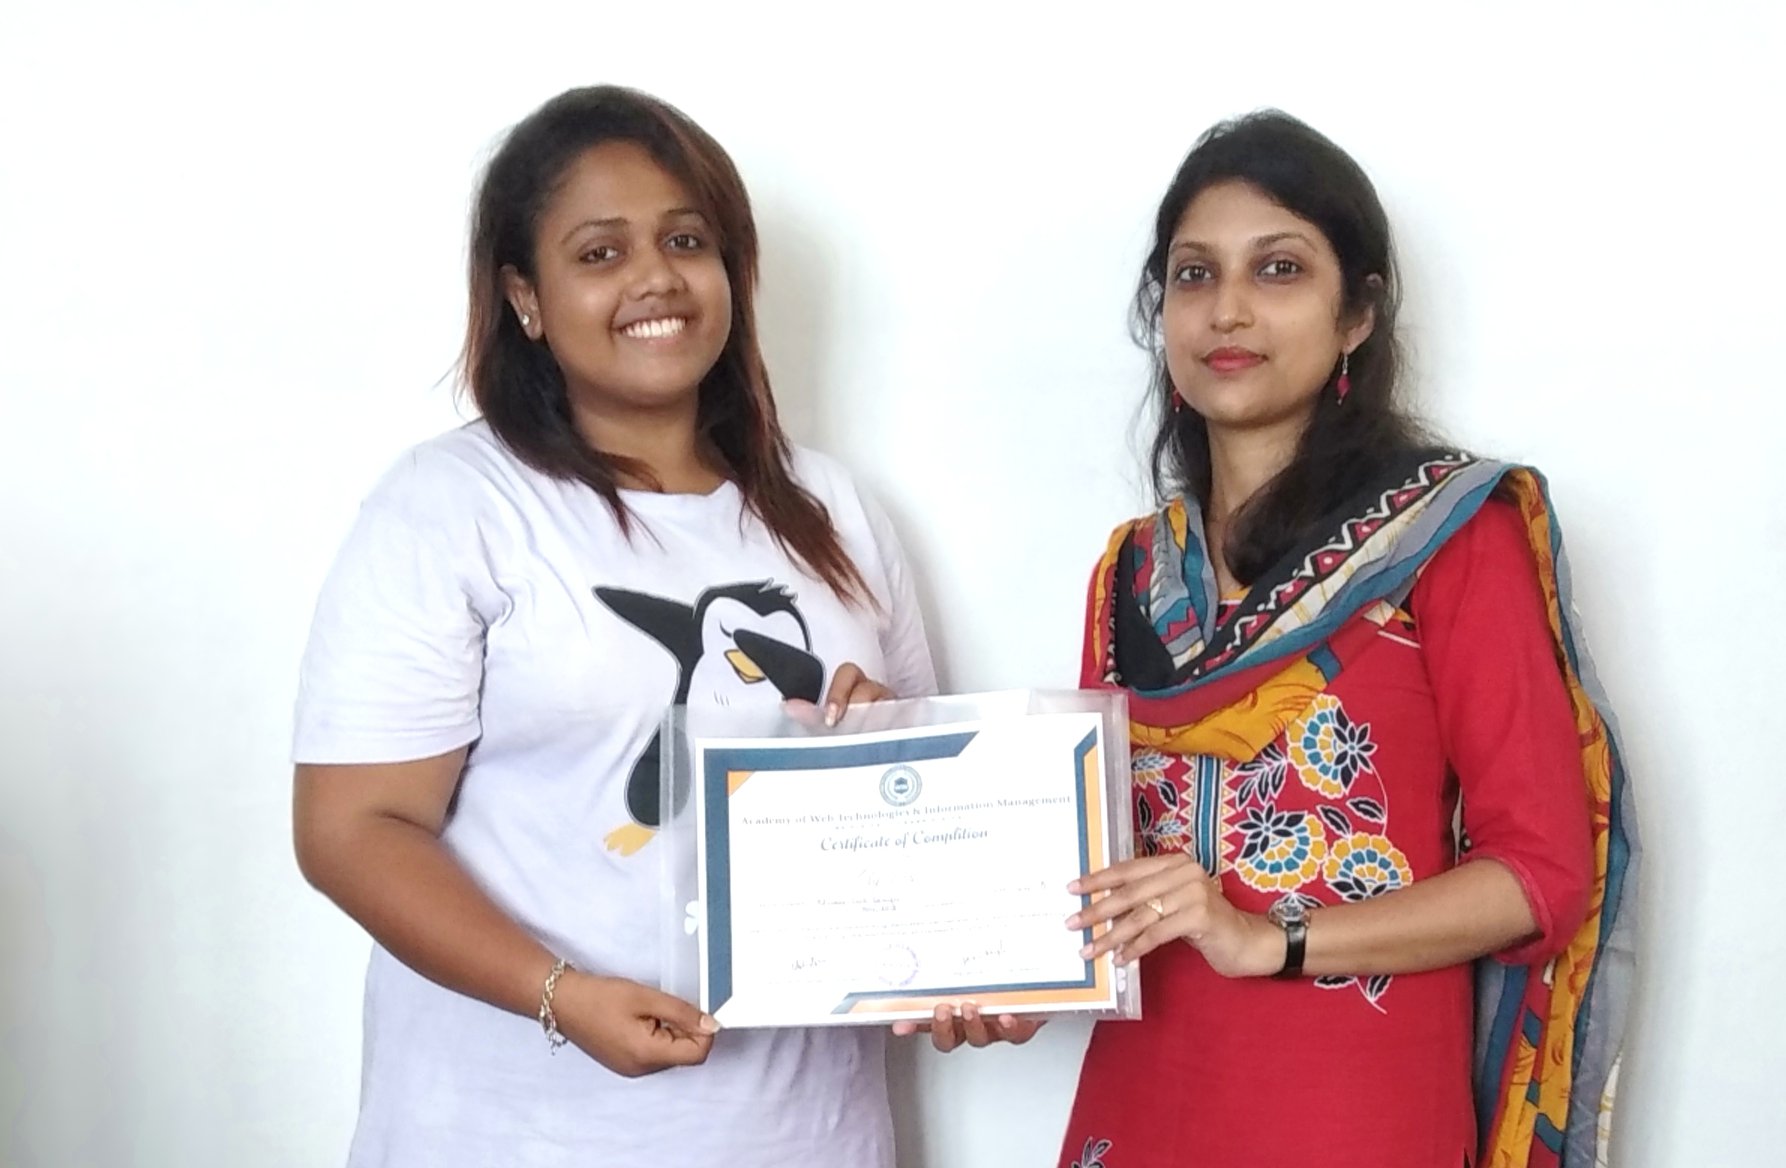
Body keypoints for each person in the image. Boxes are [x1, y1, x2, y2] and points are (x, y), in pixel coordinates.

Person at [290, 84, 934, 1167]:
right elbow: (352, 829)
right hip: (510, 1134)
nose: (655, 278)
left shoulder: (833, 509)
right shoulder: (454, 506)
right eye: (600, 252)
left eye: (687, 240)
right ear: (525, 297)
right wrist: (560, 993)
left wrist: (971, 952)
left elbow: (927, 810)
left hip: (803, 1134)